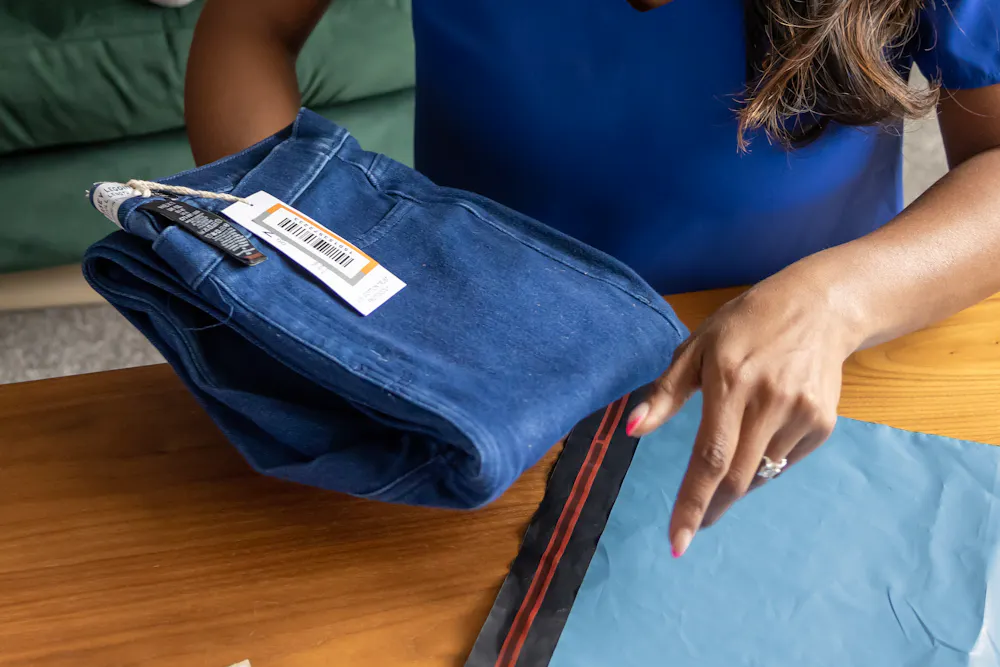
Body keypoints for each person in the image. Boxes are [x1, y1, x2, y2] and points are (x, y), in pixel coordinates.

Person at [185, 0, 1000, 558]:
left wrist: (841, 299)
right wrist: (293, 259)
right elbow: (250, 26)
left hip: (819, 375)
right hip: (473, 369)